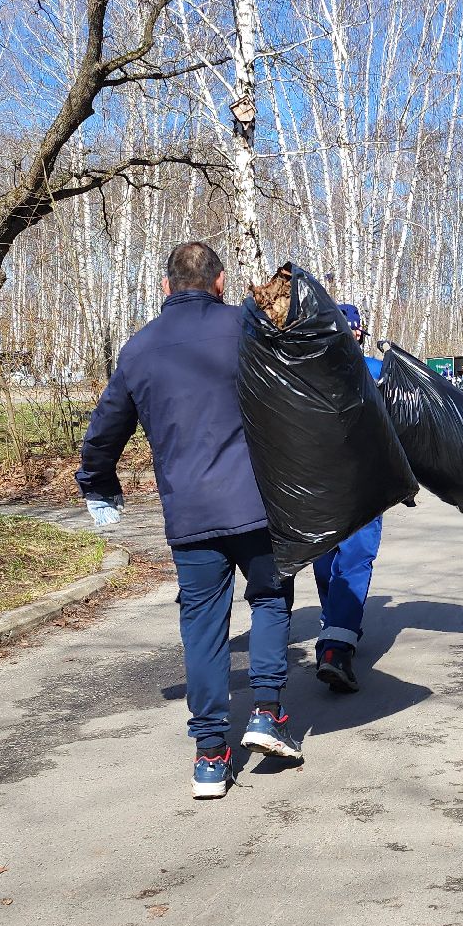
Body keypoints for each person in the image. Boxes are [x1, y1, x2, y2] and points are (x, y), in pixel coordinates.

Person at [78, 242, 298, 801]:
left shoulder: (140, 349)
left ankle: (208, 756)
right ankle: (267, 715)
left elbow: (106, 428)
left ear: (166, 287)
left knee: (202, 624)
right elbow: (300, 396)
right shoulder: (247, 328)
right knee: (270, 600)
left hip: (190, 512)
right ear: (220, 283)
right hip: (258, 503)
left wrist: (99, 485)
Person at [309, 303, 383, 694]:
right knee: (354, 560)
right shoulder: (377, 371)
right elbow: (399, 427)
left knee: (325, 557)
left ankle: (334, 625)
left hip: (316, 485)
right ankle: (337, 647)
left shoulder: (304, 368)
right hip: (362, 483)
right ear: (358, 332)